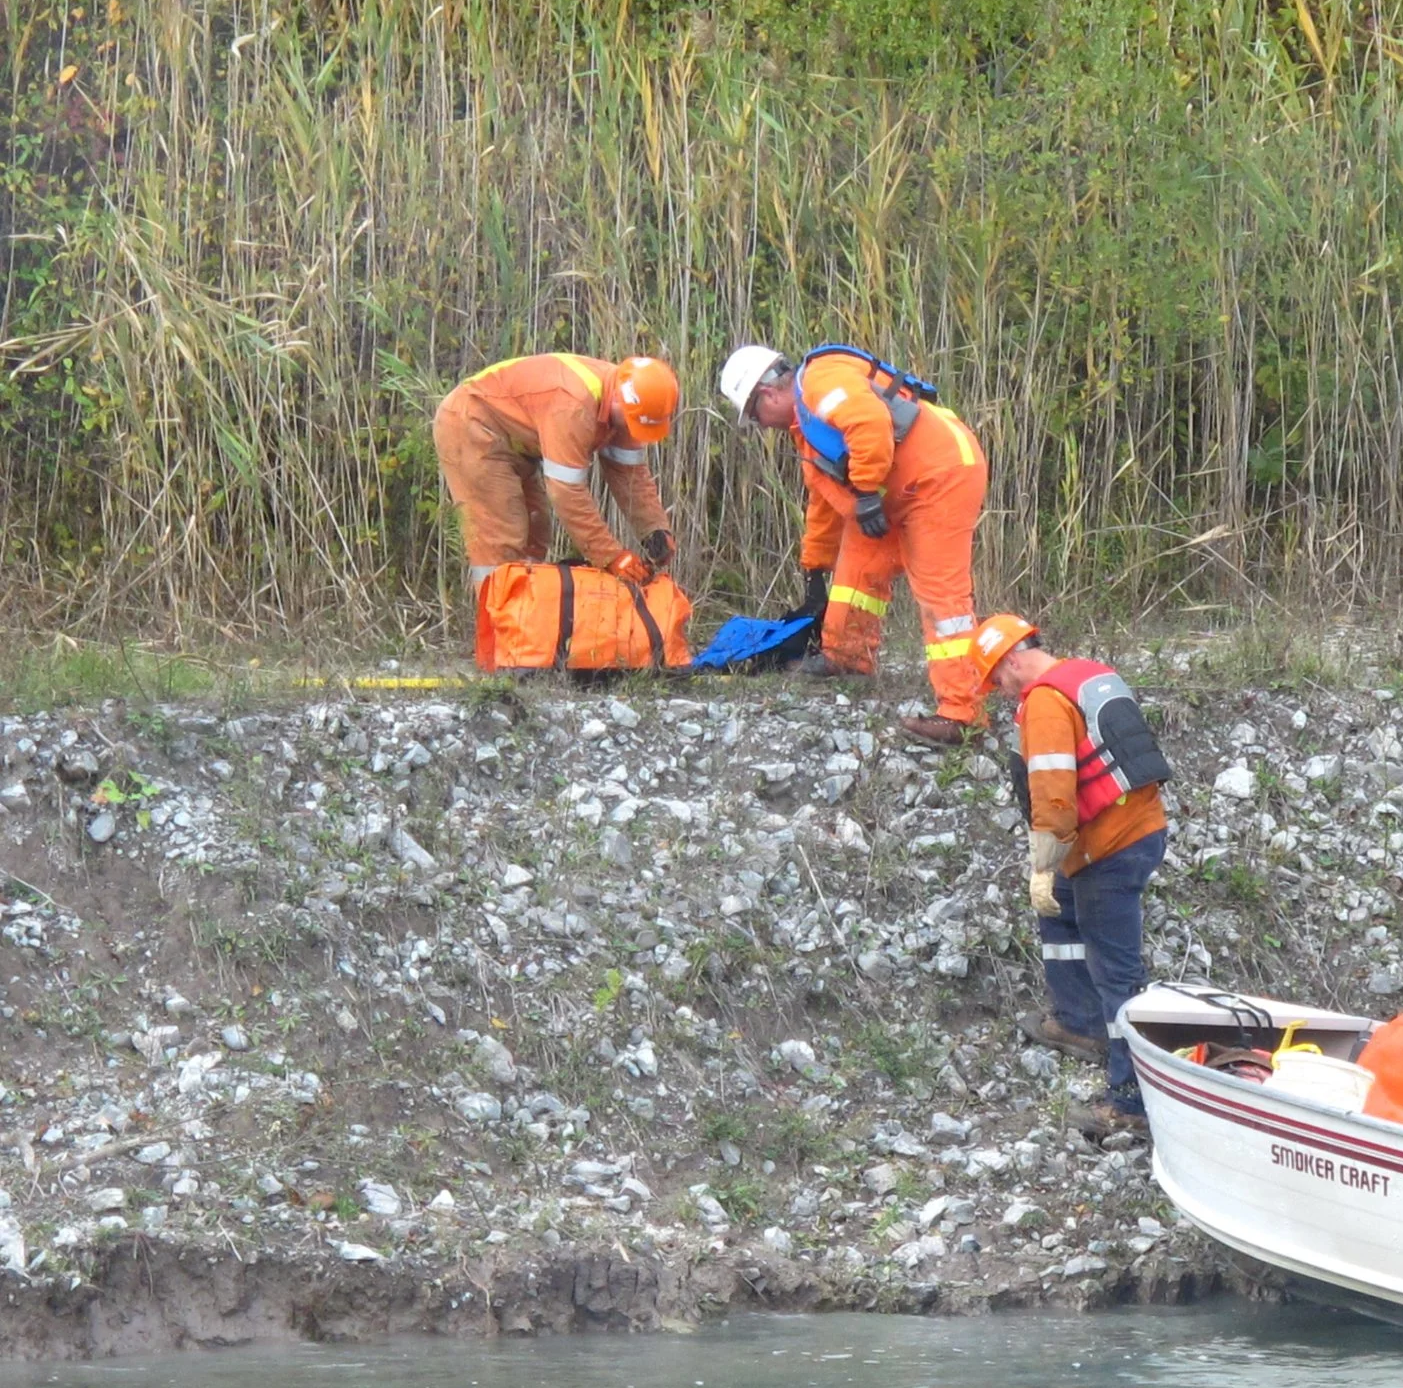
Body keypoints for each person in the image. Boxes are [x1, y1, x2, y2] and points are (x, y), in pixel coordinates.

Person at [718, 341, 988, 745]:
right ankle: (847, 658)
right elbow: (824, 501)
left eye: (754, 416)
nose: (760, 426)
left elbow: (869, 424)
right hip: (895, 490)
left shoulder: (820, 384)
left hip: (941, 474)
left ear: (767, 394)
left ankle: (961, 713)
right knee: (858, 565)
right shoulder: (806, 425)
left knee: (941, 596)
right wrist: (815, 566)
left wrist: (864, 493)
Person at [968, 614, 1171, 1140]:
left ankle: (1130, 1102)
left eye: (995, 678)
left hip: (1110, 849)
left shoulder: (1043, 700)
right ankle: (1079, 1023)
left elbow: (1055, 790)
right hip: (1135, 831)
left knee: (1118, 976)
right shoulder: (1087, 674)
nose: (997, 690)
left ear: (1012, 660)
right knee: (1061, 908)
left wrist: (1040, 862)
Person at [433, 353, 679, 590]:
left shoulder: (628, 403)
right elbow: (567, 494)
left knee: (535, 532)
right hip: (471, 425)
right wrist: (610, 556)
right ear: (619, 398)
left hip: (513, 440)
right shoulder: (573, 405)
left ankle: (527, 619)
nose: (631, 431)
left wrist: (654, 530)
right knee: (503, 542)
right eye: (631, 422)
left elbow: (631, 476)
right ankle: (497, 625)